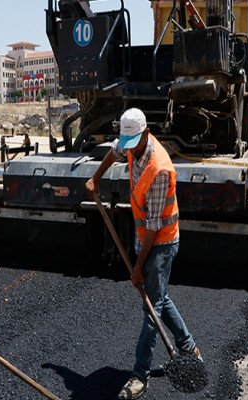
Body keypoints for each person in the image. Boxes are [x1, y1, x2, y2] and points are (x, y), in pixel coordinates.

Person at [86, 108, 201, 399]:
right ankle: (188, 346)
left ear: (147, 134)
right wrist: (95, 178)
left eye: (133, 143)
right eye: (126, 143)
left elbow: (153, 226)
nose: (128, 148)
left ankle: (140, 376)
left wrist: (137, 267)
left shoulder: (160, 168)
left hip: (161, 241)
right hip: (146, 236)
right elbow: (113, 153)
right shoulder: (128, 144)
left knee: (152, 309)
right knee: (159, 297)